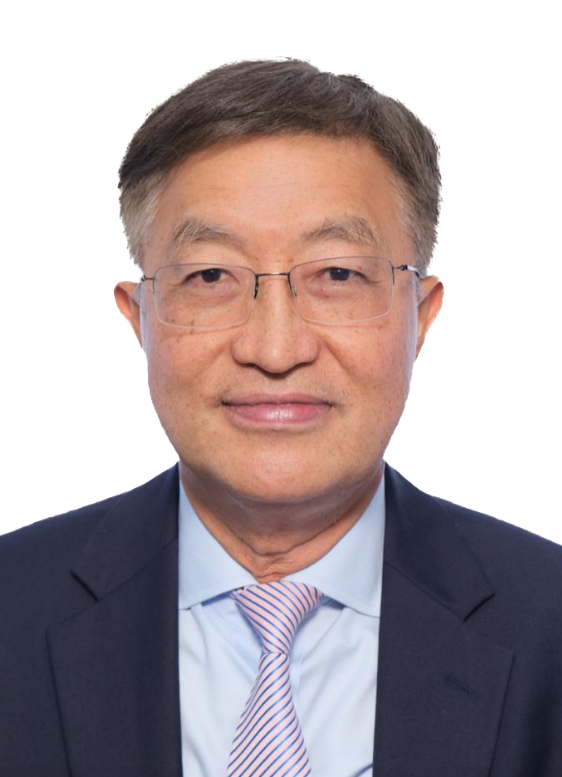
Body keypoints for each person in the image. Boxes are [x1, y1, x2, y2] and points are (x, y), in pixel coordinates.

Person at [1, 58, 560, 777]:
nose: (274, 349)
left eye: (337, 274)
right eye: (211, 276)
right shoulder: (10, 605)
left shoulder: (550, 618)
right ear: (139, 318)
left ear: (420, 319)